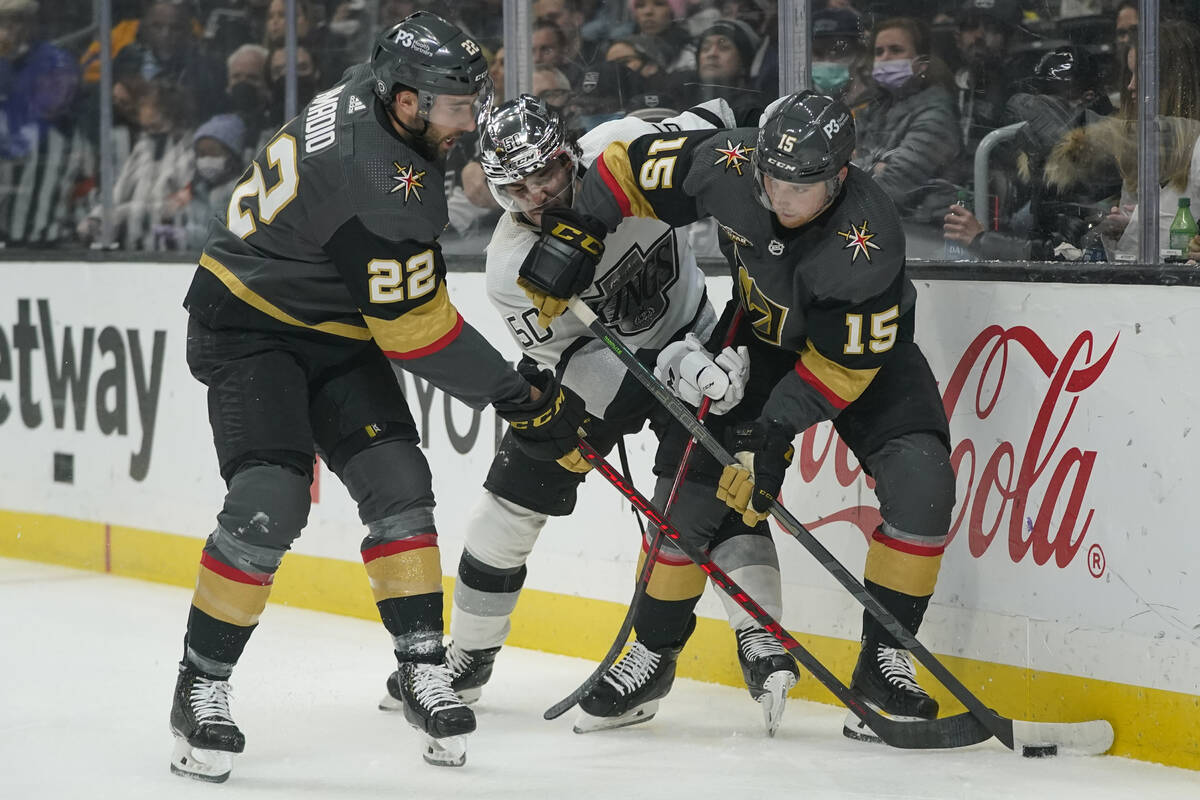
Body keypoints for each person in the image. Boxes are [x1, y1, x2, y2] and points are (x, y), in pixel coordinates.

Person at [167, 12, 586, 780]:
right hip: (249, 325)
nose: (473, 120)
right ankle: (200, 688)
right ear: (405, 103)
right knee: (270, 498)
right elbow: (416, 334)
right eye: (458, 107)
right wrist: (518, 393)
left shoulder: (376, 100)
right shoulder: (376, 178)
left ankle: (425, 669)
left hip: (332, 320)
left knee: (399, 484)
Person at [516, 90, 956, 742]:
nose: (780, 196)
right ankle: (654, 654)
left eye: (800, 186)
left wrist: (770, 436)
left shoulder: (868, 236)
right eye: (771, 178)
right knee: (687, 499)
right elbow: (620, 168)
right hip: (758, 343)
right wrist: (579, 230)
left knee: (923, 483)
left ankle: (883, 662)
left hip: (863, 361)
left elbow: (841, 369)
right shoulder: (726, 161)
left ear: (839, 177)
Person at [380, 93, 800, 735]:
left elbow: (722, 117)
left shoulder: (628, 145)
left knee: (718, 489)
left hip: (698, 335)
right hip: (601, 378)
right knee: (507, 508)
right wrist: (669, 373)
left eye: (545, 174)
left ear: (570, 153)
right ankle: (468, 654)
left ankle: (762, 641)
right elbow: (582, 366)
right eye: (516, 188)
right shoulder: (512, 266)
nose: (538, 196)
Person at [852, 17, 960, 212]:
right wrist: (876, 166)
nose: (885, 57)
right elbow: (842, 164)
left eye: (896, 50)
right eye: (879, 52)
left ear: (922, 63)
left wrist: (865, 165)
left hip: (924, 230)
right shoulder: (876, 107)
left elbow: (893, 187)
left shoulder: (937, 114)